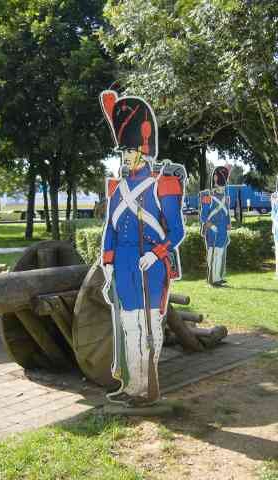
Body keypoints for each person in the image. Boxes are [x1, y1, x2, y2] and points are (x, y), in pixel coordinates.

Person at [99, 89, 186, 406]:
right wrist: (107, 263)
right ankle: (132, 384)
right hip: (122, 265)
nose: (125, 156)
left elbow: (176, 230)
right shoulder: (116, 186)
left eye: (131, 150)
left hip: (150, 264)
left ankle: (148, 384)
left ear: (144, 151)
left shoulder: (165, 183)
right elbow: (110, 226)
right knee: (129, 326)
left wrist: (156, 253)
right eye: (123, 150)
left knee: (150, 325)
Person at [200, 165, 232, 286]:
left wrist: (228, 225)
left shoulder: (225, 197)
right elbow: (203, 215)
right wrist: (211, 226)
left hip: (223, 229)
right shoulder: (207, 196)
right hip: (212, 229)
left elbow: (227, 212)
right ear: (215, 179)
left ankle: (218, 277)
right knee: (212, 254)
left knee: (219, 253)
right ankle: (211, 278)